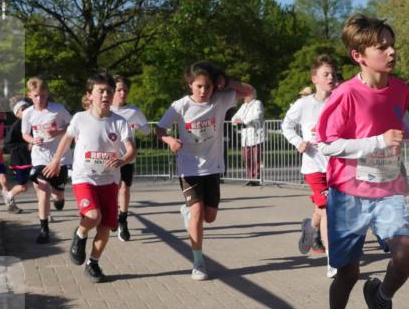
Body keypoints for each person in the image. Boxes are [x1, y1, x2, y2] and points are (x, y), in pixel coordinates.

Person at [316, 14, 409, 309]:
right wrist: (376, 141)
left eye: (392, 44)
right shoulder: (345, 95)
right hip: (349, 193)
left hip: (389, 188)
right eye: (381, 47)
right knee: (348, 273)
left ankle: (381, 299)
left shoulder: (400, 87)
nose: (391, 51)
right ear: (358, 55)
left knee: (406, 254)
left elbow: (401, 116)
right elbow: (327, 144)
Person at [156, 61, 254, 281]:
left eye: (208, 87)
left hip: (212, 167)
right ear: (190, 85)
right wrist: (169, 139)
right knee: (199, 212)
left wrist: (226, 82)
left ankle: (187, 212)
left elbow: (249, 91)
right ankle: (198, 262)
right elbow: (159, 128)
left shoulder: (220, 100)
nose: (203, 91)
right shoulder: (180, 106)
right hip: (188, 167)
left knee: (209, 217)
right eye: (199, 86)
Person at [45, 73, 135, 283]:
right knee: (94, 216)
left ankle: (93, 263)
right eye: (100, 91)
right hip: (84, 177)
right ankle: (80, 233)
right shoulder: (80, 118)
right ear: (90, 95)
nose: (105, 95)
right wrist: (56, 160)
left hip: (110, 180)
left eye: (109, 91)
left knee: (105, 227)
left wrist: (123, 160)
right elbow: (66, 139)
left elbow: (131, 149)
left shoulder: (120, 122)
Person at [281, 54, 339, 256]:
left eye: (333, 73)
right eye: (326, 74)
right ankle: (332, 257)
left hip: (337, 166)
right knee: (326, 207)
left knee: (323, 208)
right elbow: (286, 126)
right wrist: (298, 142)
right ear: (315, 79)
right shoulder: (303, 104)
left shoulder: (340, 101)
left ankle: (309, 228)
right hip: (314, 166)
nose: (331, 77)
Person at [20, 77, 73, 244]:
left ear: (47, 94)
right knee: (42, 191)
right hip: (40, 157)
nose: (39, 99)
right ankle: (44, 230)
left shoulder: (57, 109)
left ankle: (60, 198)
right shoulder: (28, 113)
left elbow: (73, 125)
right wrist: (32, 140)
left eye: (43, 95)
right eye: (36, 96)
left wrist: (57, 132)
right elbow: (25, 134)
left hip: (60, 157)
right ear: (29, 95)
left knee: (57, 195)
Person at [111, 75, 150, 242]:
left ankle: (123, 220)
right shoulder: (105, 109)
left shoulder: (133, 111)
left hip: (127, 157)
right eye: (119, 90)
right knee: (111, 190)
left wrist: (138, 127)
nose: (122, 93)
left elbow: (147, 130)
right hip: (108, 158)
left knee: (124, 188)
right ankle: (112, 216)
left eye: (125, 90)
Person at [4, 97, 33, 213]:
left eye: (27, 108)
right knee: (23, 187)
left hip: (33, 158)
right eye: (23, 109)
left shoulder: (33, 122)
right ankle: (9, 195)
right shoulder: (17, 125)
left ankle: (46, 213)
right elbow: (8, 143)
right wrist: (26, 146)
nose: (26, 111)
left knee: (41, 184)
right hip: (20, 160)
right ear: (17, 114)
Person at [231, 90, 266, 186]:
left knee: (256, 158)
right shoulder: (243, 106)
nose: (244, 97)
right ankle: (250, 177)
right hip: (245, 136)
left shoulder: (257, 103)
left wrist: (243, 121)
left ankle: (256, 178)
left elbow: (257, 116)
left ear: (251, 95)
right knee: (246, 158)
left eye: (245, 95)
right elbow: (234, 118)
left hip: (256, 135)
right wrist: (236, 121)